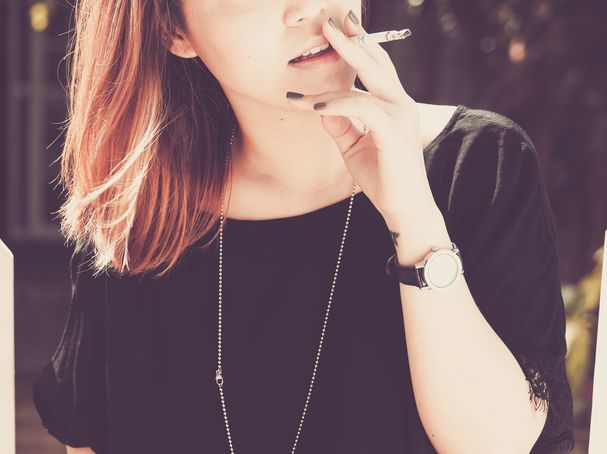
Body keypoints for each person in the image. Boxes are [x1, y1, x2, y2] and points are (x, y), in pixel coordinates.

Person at [32, 1, 575, 453]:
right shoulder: (138, 218)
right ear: (174, 30)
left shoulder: (480, 163)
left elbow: (500, 445)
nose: (306, 9)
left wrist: (414, 214)